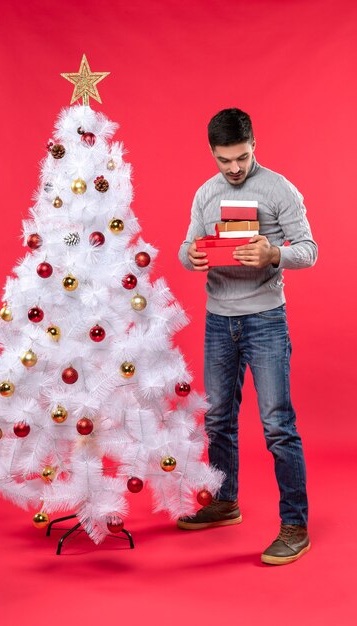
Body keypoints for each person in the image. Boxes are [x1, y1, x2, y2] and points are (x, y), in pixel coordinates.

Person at [177, 108, 317, 565]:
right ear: (212, 154)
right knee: (217, 417)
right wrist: (192, 256)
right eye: (224, 160)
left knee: (278, 424)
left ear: (253, 143)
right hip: (219, 318)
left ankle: (295, 525)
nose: (234, 168)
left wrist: (274, 252)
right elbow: (185, 246)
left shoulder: (279, 189)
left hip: (265, 319)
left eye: (241, 157)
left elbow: (310, 251)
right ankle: (224, 501)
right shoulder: (205, 193)